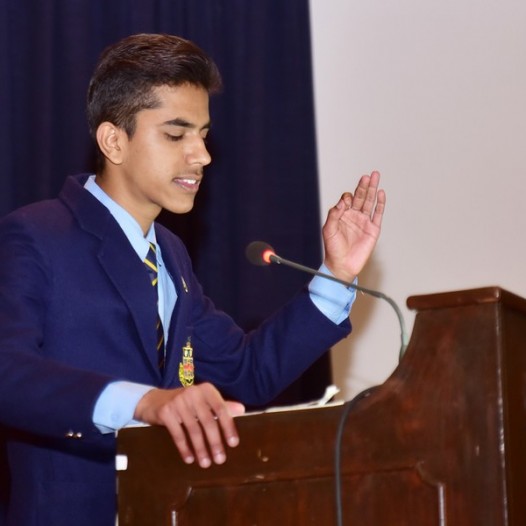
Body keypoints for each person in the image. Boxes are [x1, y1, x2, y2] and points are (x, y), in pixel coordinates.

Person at [0, 33, 385, 525]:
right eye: (176, 135)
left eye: (203, 134)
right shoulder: (35, 235)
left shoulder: (170, 255)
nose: (201, 155)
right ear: (113, 141)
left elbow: (247, 371)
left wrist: (336, 274)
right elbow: (8, 372)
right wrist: (145, 403)